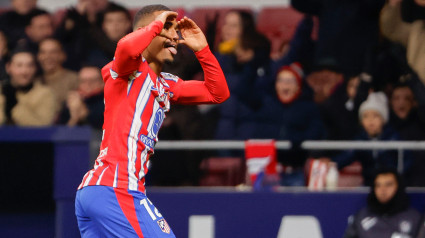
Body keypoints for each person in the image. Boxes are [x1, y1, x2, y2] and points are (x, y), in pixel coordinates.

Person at [74, 4, 229, 237]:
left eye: (176, 31)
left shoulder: (167, 84)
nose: (175, 37)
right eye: (169, 29)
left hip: (102, 190)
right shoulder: (126, 69)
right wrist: (157, 25)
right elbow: (126, 46)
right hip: (117, 188)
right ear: (147, 32)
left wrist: (203, 50)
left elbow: (217, 93)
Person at [332, 92, 408, 186]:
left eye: (375, 116)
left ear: (383, 119)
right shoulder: (360, 140)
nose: (370, 120)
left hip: (392, 184)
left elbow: (406, 161)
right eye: (366, 116)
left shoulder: (393, 137)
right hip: (369, 184)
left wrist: (397, 178)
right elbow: (346, 157)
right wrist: (331, 164)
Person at [343, 168, 422, 238]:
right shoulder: (361, 216)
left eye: (388, 185)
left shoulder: (414, 217)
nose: (382, 189)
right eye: (378, 185)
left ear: (398, 187)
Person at [0, 49, 56, 126]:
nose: (24, 71)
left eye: (30, 66)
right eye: (19, 65)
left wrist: (15, 105)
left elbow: (42, 128)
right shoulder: (2, 90)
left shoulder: (45, 94)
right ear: (8, 68)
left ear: (35, 68)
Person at [57, 66, 104, 130]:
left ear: (102, 82)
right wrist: (74, 117)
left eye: (93, 80)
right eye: (83, 81)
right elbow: (61, 136)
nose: (88, 84)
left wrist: (84, 113)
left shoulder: (108, 101)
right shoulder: (71, 102)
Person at [37, 38, 78, 108]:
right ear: (38, 56)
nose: (47, 56)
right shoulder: (35, 80)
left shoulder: (74, 79)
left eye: (53, 52)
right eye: (43, 52)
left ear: (62, 55)